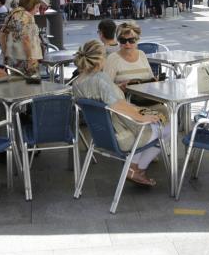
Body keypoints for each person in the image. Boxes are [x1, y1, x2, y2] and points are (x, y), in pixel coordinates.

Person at [73, 40, 170, 187]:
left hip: (101, 136)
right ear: (100, 59)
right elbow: (118, 105)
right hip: (121, 136)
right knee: (168, 128)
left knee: (155, 116)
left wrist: (116, 87)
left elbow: (103, 98)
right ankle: (136, 168)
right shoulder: (101, 78)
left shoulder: (78, 82)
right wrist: (142, 117)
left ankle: (134, 168)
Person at [0, 0, 43, 75]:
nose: (37, 10)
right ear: (30, 5)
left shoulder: (11, 14)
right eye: (37, 7)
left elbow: (2, 34)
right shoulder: (28, 16)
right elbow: (25, 38)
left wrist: (5, 52)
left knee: (15, 81)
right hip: (27, 59)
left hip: (12, 58)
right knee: (31, 82)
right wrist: (30, 58)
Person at [104, 21, 155, 90]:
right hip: (123, 96)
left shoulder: (141, 54)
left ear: (137, 40)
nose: (127, 44)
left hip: (146, 94)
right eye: (123, 40)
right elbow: (105, 86)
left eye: (131, 40)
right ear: (119, 41)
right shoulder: (113, 58)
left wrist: (155, 81)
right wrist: (119, 87)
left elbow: (151, 78)